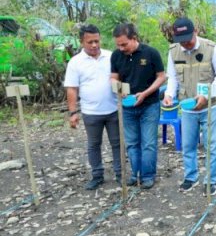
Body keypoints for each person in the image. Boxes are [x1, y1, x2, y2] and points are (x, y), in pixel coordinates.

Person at [163, 17, 216, 194]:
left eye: (188, 40)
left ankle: (211, 181)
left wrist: (207, 94)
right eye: (181, 41)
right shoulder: (173, 52)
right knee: (188, 144)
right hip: (187, 106)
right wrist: (168, 95)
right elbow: (173, 78)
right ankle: (190, 177)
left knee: (211, 144)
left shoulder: (212, 49)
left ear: (196, 32)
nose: (186, 44)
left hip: (210, 107)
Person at [64, 24, 121, 190]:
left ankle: (120, 173)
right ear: (82, 42)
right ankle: (97, 175)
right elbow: (72, 88)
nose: (94, 45)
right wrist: (73, 112)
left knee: (117, 143)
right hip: (90, 112)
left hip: (112, 109)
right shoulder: (75, 62)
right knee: (93, 144)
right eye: (90, 42)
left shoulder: (111, 56)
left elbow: (119, 78)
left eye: (97, 41)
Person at [111, 23, 166, 189]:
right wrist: (119, 89)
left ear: (134, 38)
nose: (121, 48)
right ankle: (136, 174)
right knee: (132, 142)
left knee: (148, 142)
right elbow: (113, 78)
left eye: (124, 44)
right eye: (118, 45)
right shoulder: (116, 56)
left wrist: (145, 93)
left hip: (149, 105)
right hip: (127, 107)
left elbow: (161, 77)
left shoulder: (151, 53)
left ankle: (148, 175)